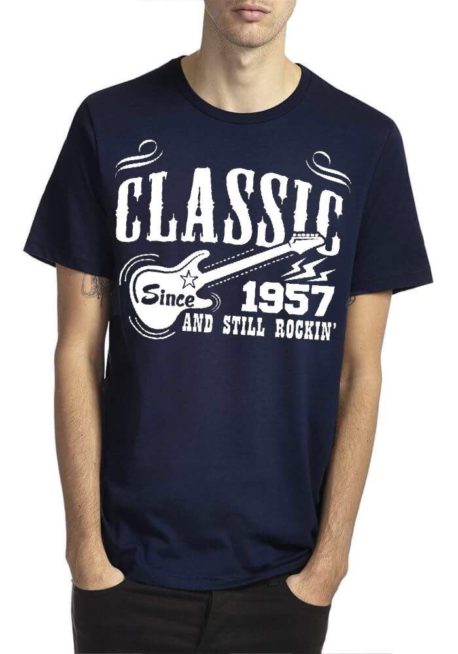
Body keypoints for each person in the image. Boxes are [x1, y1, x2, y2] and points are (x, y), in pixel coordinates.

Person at [23, 1, 433, 652]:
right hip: (126, 572)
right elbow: (76, 349)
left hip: (286, 577)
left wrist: (329, 563)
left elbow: (361, 372)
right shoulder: (111, 123)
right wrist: (86, 552)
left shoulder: (365, 144)